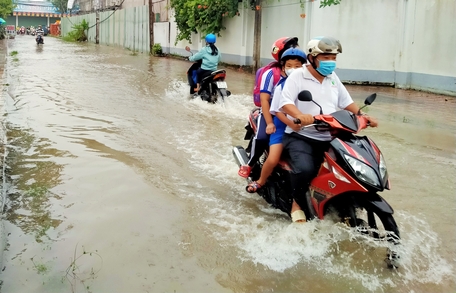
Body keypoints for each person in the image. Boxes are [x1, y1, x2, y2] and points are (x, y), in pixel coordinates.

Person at [278, 36, 379, 222]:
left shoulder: (333, 77)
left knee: (350, 168)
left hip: (331, 133)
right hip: (302, 135)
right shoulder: (298, 76)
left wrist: (363, 116)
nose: (330, 62)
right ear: (312, 58)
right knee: (305, 169)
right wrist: (300, 115)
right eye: (325, 58)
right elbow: (285, 103)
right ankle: (297, 202)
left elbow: (346, 102)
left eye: (333, 58)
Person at [238, 37, 299, 178]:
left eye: (295, 47)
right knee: (262, 137)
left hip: (294, 114)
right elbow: (265, 101)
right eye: (290, 48)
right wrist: (270, 122)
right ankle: (250, 163)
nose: (294, 50)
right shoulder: (271, 73)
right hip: (270, 113)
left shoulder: (304, 73)